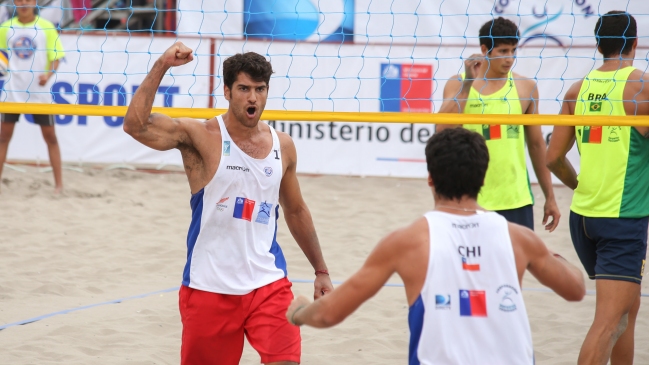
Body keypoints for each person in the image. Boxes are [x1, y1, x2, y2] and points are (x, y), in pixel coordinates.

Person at [286, 128, 586, 365]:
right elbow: (576, 289)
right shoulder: (519, 238)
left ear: (430, 178)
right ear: (483, 178)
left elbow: (329, 314)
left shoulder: (407, 241)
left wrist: (299, 311)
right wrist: (550, 256)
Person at [123, 42, 334, 365]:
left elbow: (295, 210)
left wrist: (320, 270)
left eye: (260, 89)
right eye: (244, 89)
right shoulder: (201, 136)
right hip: (209, 287)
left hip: (268, 284)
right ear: (226, 91)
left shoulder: (283, 146)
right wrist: (162, 65)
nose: (253, 97)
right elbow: (135, 126)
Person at [546, 11, 649, 365]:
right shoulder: (640, 86)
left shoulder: (577, 89)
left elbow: (552, 158)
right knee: (607, 322)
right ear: (635, 43)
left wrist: (580, 185)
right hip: (622, 218)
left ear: (598, 45)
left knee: (626, 312)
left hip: (584, 218)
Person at [436, 17, 560, 232]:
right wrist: (467, 84)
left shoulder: (525, 87)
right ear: (485, 49)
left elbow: (537, 145)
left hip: (515, 198)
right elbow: (442, 130)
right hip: (470, 198)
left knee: (515, 266)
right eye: (503, 51)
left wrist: (550, 196)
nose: (509, 58)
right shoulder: (458, 83)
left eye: (513, 51)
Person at [0, 0, 65, 193]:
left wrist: (48, 74)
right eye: (19, 0)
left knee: (50, 137)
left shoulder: (46, 27)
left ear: (34, 2)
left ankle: (59, 185)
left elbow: (56, 58)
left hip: (39, 93)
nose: (24, 3)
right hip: (13, 92)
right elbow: (2, 57)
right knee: (3, 137)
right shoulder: (5, 27)